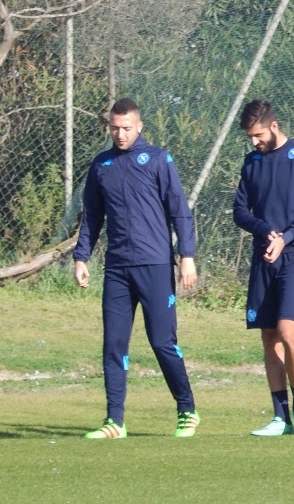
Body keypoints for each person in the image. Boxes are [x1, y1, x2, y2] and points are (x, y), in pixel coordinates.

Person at [74, 98, 200, 439]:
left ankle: (187, 409)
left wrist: (186, 256)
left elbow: (179, 210)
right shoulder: (102, 164)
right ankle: (115, 421)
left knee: (162, 341)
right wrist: (81, 257)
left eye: (127, 128)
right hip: (117, 268)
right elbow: (92, 217)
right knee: (113, 344)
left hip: (155, 265)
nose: (120, 134)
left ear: (139, 127)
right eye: (115, 128)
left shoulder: (158, 159)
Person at [233, 99, 294, 436]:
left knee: (288, 331)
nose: (254, 141)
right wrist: (264, 231)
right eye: (249, 136)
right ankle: (280, 417)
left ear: (274, 126)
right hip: (264, 254)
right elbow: (240, 211)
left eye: (258, 134)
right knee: (268, 335)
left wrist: (285, 238)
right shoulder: (252, 162)